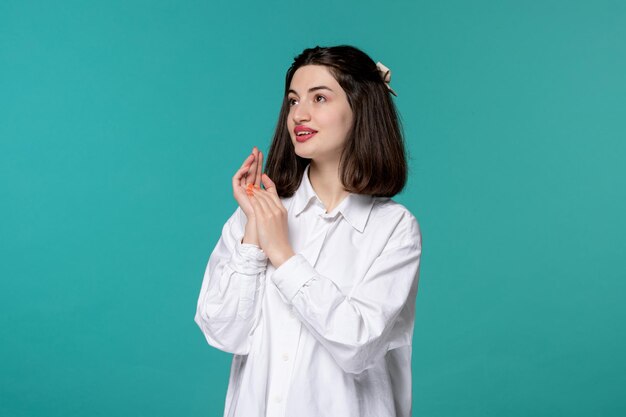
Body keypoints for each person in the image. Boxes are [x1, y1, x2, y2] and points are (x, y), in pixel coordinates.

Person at [195, 45, 422, 417]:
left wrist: (282, 254)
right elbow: (223, 332)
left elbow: (358, 345)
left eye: (319, 98)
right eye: (293, 100)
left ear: (361, 107)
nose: (299, 114)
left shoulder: (394, 229)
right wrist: (254, 234)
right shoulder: (259, 212)